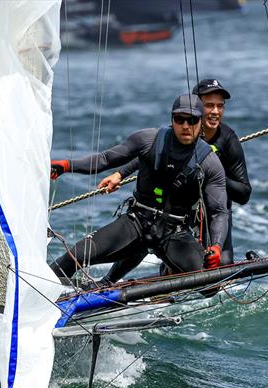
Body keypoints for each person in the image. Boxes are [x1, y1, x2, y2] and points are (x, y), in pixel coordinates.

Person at [49, 94, 228, 285]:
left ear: (201, 122)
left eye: (192, 120)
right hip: (137, 223)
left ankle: (167, 272)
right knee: (74, 257)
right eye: (179, 119)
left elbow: (218, 211)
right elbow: (105, 159)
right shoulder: (148, 139)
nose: (185, 125)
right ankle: (46, 296)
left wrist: (216, 247)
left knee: (210, 285)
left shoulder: (210, 162)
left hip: (175, 232)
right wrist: (66, 166)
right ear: (172, 120)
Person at [192, 78, 251, 264]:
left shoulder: (228, 139)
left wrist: (214, 176)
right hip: (182, 214)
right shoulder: (181, 134)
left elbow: (244, 194)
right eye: (209, 105)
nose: (215, 112)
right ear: (195, 107)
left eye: (220, 106)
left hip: (218, 212)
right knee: (186, 268)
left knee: (222, 270)